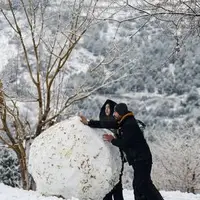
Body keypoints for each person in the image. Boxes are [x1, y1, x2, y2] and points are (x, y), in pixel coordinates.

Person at [80, 103, 164, 200]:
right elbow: (107, 123)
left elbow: (124, 143)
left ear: (120, 112)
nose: (113, 114)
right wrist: (89, 122)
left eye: (115, 112)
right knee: (143, 184)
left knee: (140, 185)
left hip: (142, 159)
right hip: (140, 159)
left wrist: (112, 140)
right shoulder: (123, 121)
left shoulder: (129, 124)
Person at [83, 99, 124, 200]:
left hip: (117, 156)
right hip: (105, 157)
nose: (107, 110)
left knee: (116, 182)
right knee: (106, 182)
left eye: (109, 108)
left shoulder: (117, 123)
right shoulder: (101, 123)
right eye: (105, 108)